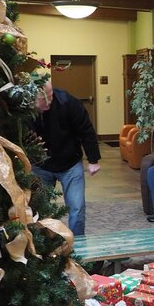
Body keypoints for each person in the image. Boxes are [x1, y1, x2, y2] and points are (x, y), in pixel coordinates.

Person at [31, 80, 101, 236]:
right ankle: (42, 246)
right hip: (40, 165)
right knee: (38, 208)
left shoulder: (68, 102)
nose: (49, 101)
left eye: (51, 96)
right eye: (44, 99)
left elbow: (86, 130)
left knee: (77, 207)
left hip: (70, 162)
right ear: (31, 99)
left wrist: (93, 160)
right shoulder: (23, 111)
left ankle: (78, 248)